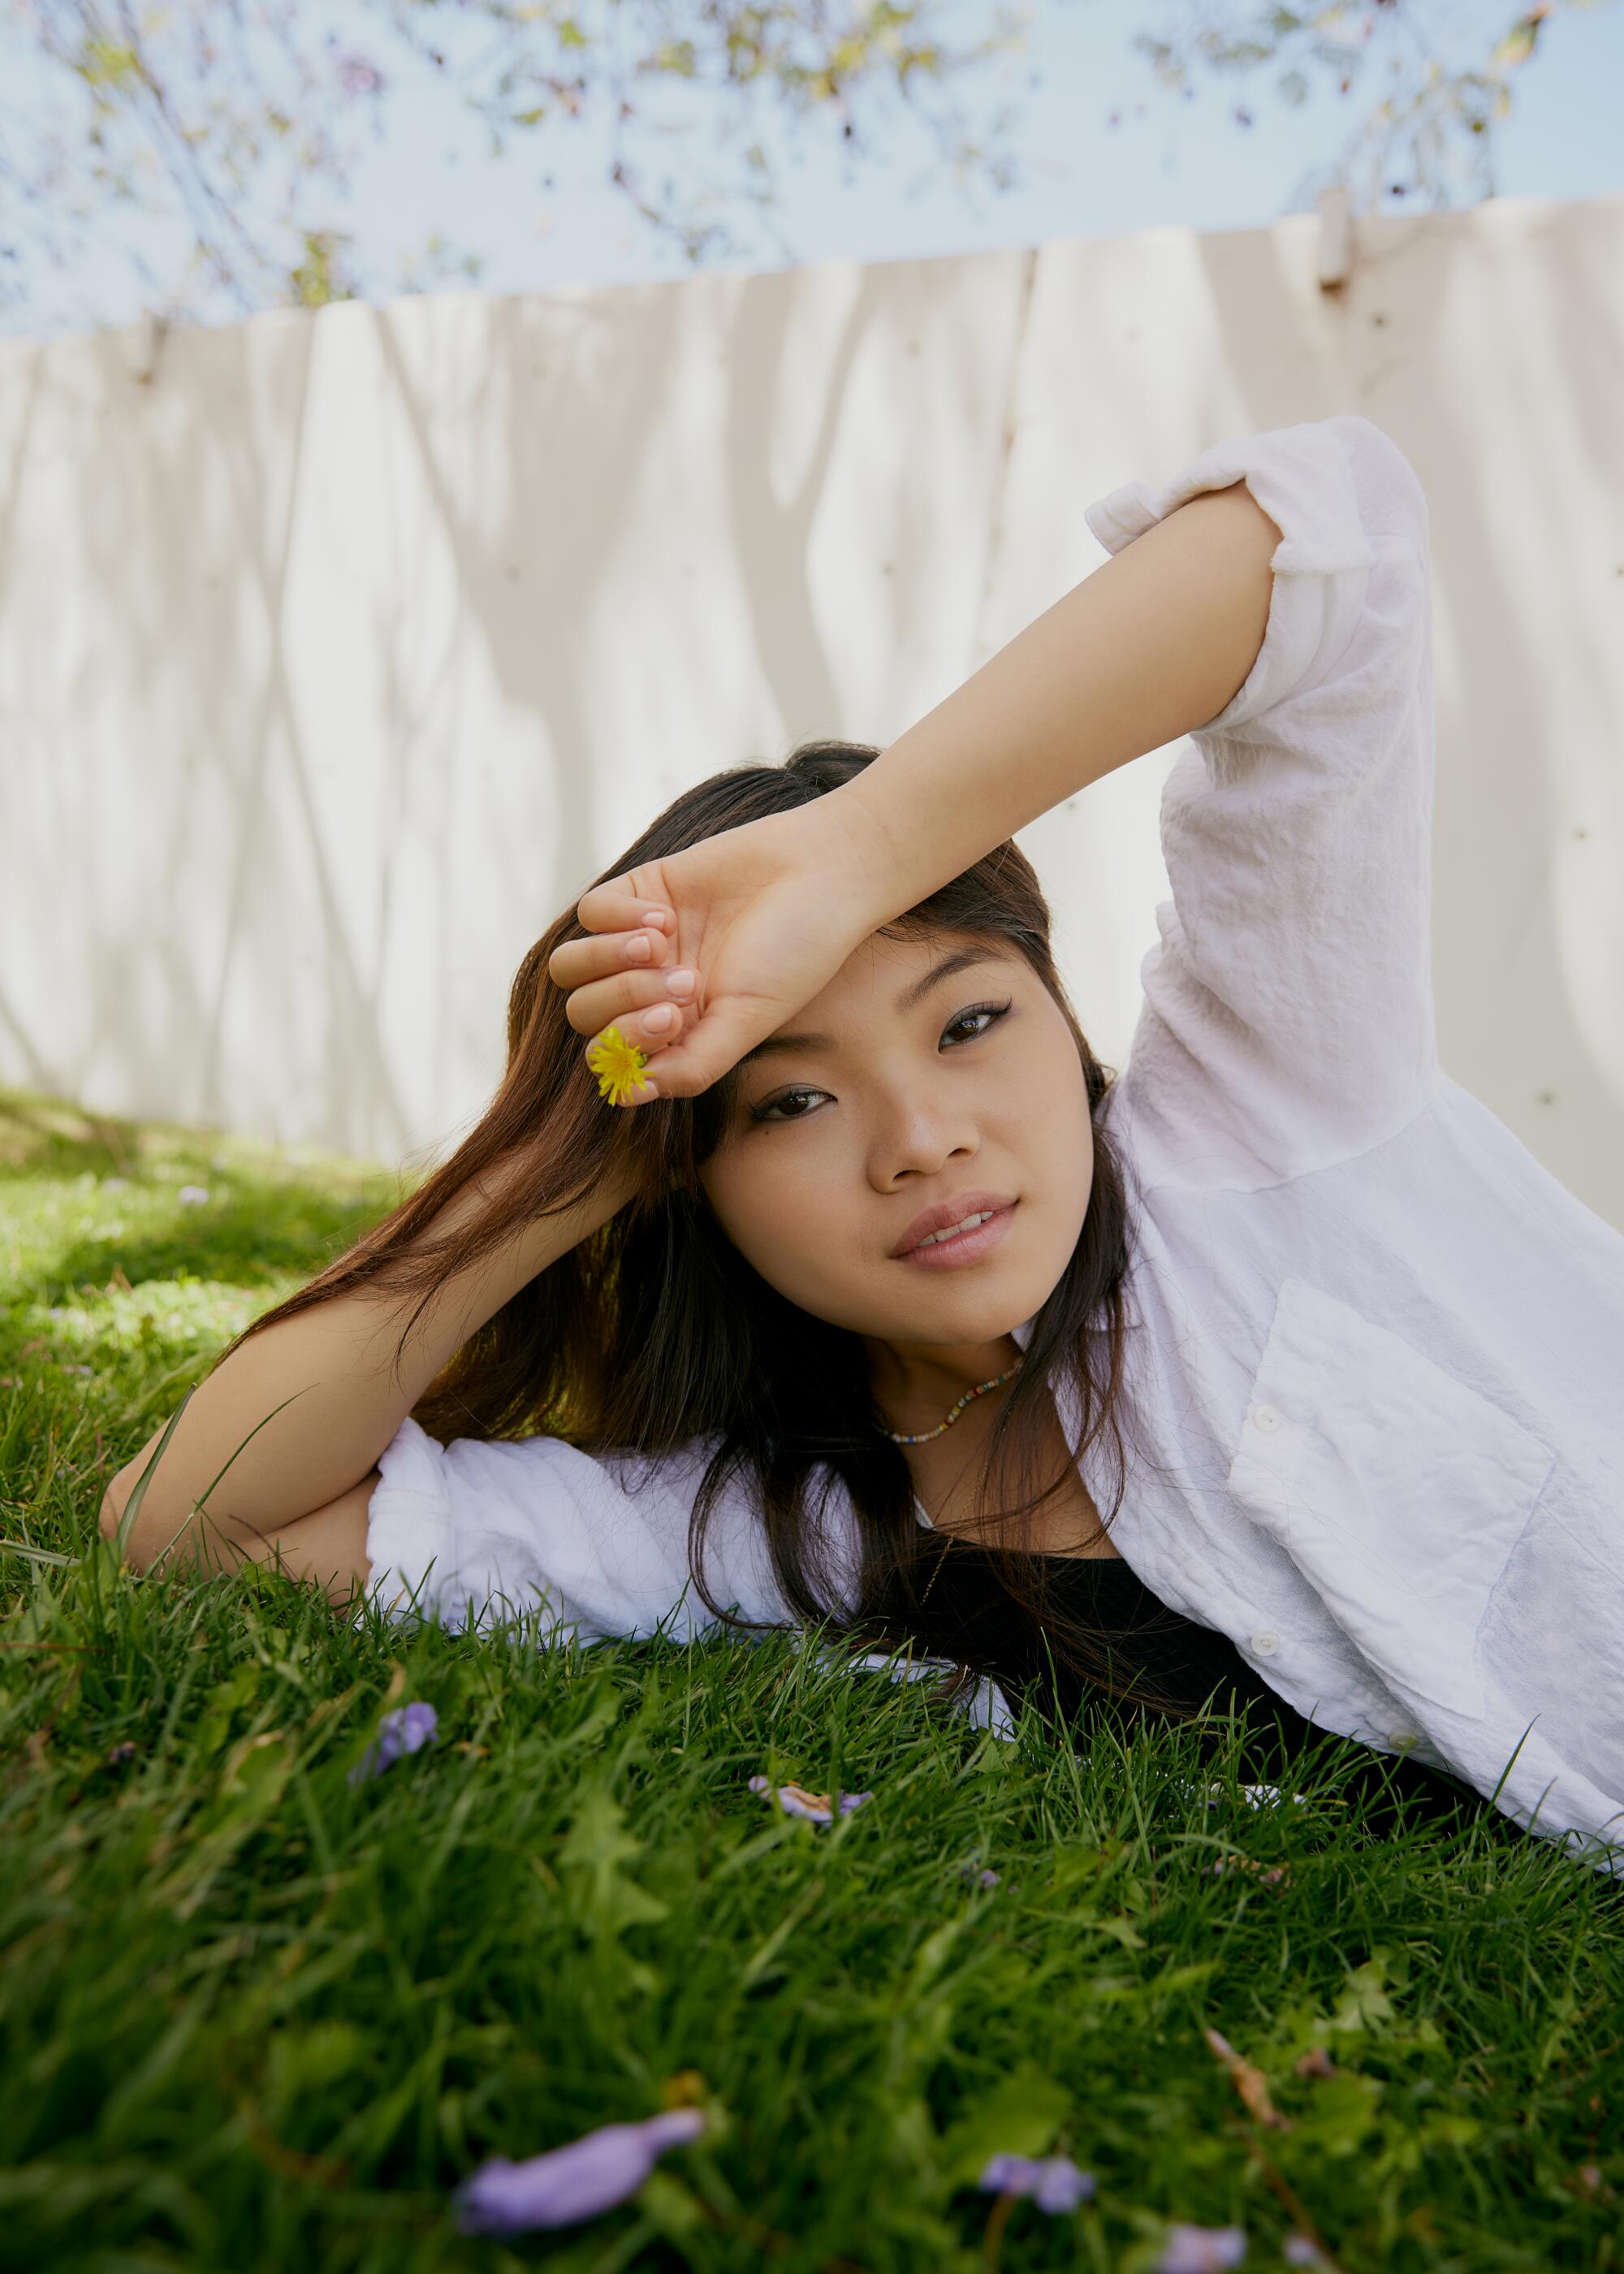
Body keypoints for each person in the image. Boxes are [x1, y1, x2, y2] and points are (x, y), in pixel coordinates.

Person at [101, 415, 1624, 1870]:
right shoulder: (768, 1527)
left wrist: (857, 852)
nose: (917, 1141)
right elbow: (188, 1525)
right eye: (791, 1100)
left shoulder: (1267, 1132)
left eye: (969, 1024)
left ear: (1061, 1019)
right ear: (690, 1171)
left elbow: (1327, 532)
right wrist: (572, 1146)